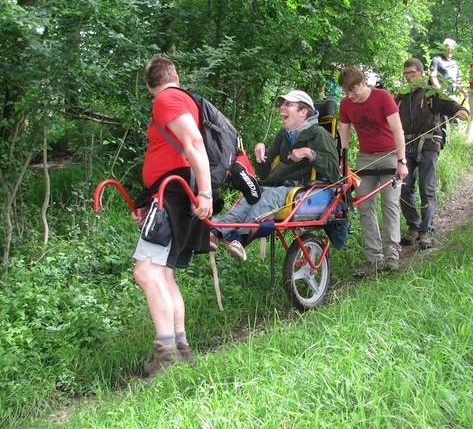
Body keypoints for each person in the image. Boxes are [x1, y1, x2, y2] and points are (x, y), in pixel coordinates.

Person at [131, 57, 214, 377]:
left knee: (146, 273)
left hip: (175, 195)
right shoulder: (179, 98)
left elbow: (193, 143)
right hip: (171, 194)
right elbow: (173, 155)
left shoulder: (166, 99)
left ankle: (165, 355)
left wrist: (204, 193)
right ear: (175, 76)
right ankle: (181, 348)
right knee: (163, 274)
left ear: (150, 84)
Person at [211, 90, 340, 259]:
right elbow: (264, 174)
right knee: (249, 198)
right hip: (276, 186)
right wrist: (260, 156)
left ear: (303, 112)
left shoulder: (319, 134)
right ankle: (214, 232)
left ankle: (241, 239)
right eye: (281, 104)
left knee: (268, 198)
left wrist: (309, 153)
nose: (282, 108)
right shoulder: (284, 134)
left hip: (302, 191)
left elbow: (334, 173)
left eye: (288, 104)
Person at [337, 66, 408, 274]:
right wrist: (342, 164)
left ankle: (392, 256)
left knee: (390, 203)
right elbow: (344, 135)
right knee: (364, 205)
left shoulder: (382, 97)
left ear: (362, 83)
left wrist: (402, 161)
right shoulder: (346, 104)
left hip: (390, 154)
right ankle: (374, 258)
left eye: (353, 90)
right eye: (346, 92)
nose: (351, 96)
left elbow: (397, 129)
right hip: (365, 158)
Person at [396, 58, 469, 249]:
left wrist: (460, 110)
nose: (409, 76)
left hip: (429, 143)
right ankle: (414, 226)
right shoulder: (401, 96)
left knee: (427, 188)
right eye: (406, 73)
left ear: (421, 73)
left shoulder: (431, 93)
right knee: (403, 187)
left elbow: (448, 105)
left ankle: (426, 231)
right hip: (406, 145)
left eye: (412, 72)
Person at [429, 38, 462, 102]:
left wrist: (463, 91)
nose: (450, 50)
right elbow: (433, 76)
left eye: (452, 48)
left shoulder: (455, 63)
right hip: (440, 95)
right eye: (448, 47)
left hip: (453, 95)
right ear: (443, 48)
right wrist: (440, 90)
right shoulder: (437, 60)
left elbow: (458, 79)